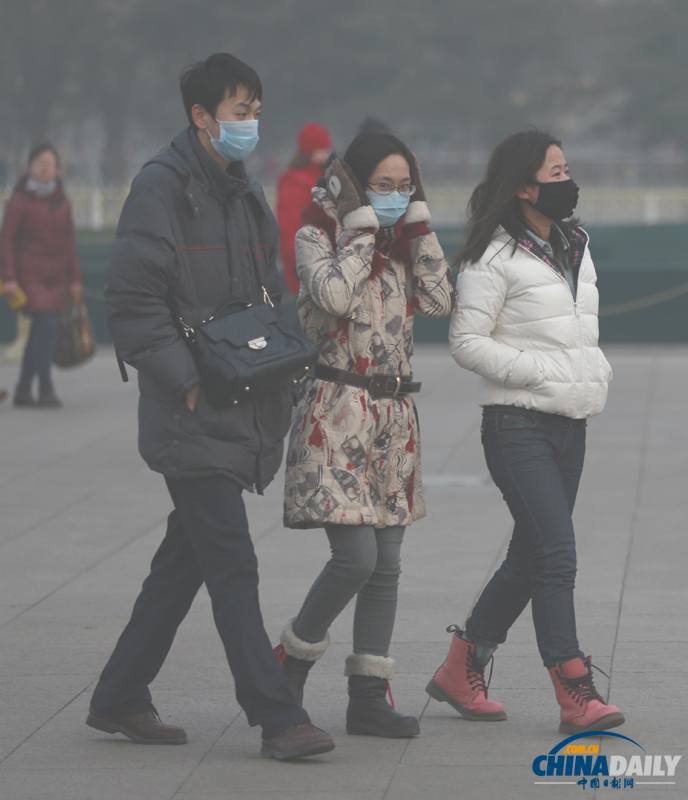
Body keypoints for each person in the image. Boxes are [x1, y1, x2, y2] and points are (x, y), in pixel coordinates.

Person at [87, 52, 334, 762]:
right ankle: (276, 714)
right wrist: (185, 380)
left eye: (255, 110)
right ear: (200, 116)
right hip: (190, 408)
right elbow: (131, 304)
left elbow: (266, 290)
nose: (250, 124)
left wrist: (282, 366)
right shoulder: (160, 190)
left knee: (185, 561)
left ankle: (118, 694)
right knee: (231, 561)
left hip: (243, 392)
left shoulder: (243, 190)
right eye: (238, 111)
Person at [426, 130, 625, 735]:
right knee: (557, 553)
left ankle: (463, 666)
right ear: (523, 185)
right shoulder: (493, 256)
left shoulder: (575, 244)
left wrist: (592, 371)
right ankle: (575, 690)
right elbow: (465, 342)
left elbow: (578, 331)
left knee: (531, 552)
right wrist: (539, 373)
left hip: (572, 421)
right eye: (555, 172)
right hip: (516, 424)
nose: (568, 182)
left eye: (568, 170)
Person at [278, 133, 456, 737]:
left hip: (393, 419)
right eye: (382, 185)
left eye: (405, 185)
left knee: (387, 564)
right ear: (352, 183)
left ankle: (367, 697)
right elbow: (330, 295)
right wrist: (358, 228)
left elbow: (438, 299)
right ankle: (291, 661)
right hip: (336, 409)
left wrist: (419, 225)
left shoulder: (404, 244)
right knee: (353, 558)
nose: (395, 196)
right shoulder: (316, 237)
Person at [0, 145, 82, 408]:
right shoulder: (20, 200)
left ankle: (23, 389)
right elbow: (7, 239)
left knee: (40, 333)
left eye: (48, 163)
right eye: (38, 162)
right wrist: (9, 276)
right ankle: (45, 386)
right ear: (30, 167)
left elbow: (70, 241)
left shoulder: (62, 200)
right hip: (29, 276)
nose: (43, 167)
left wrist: (75, 279)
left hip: (57, 277)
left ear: (57, 168)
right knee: (46, 325)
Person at [276, 122, 332, 295]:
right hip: (308, 276)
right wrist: (299, 267)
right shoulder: (295, 185)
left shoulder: (324, 180)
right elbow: (289, 231)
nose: (327, 154)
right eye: (322, 149)